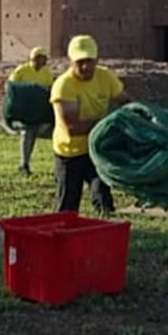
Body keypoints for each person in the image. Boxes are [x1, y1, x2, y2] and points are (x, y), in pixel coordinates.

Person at [49, 34, 124, 216]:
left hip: (95, 149)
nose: (85, 66)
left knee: (103, 195)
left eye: (90, 61)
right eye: (79, 61)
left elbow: (125, 100)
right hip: (70, 152)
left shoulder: (105, 77)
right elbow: (73, 128)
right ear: (70, 61)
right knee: (68, 203)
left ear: (97, 60)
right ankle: (64, 233)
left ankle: (106, 228)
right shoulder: (63, 86)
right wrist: (107, 125)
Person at [7, 46, 54, 175]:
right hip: (25, 111)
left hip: (38, 112)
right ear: (35, 58)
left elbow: (49, 90)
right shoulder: (22, 70)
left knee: (36, 134)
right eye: (40, 58)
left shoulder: (47, 73)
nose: (43, 61)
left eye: (44, 59)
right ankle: (24, 164)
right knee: (27, 134)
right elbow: (12, 88)